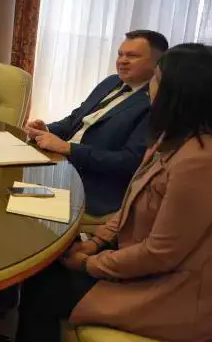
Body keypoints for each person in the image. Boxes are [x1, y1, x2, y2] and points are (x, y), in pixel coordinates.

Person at [14, 43, 212, 342]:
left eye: (157, 79)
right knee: (41, 267)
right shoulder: (168, 140)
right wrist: (96, 242)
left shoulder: (199, 162)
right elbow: (131, 204)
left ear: (178, 92)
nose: (151, 88)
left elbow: (160, 255)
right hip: (132, 259)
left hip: (168, 290)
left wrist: (90, 263)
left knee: (43, 288)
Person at [25, 30, 168, 217]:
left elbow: (128, 162)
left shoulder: (154, 103)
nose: (122, 61)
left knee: (17, 205)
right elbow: (76, 119)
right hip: (59, 163)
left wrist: (69, 149)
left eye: (132, 56)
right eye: (120, 54)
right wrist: (46, 129)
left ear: (157, 63)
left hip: (91, 184)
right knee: (4, 178)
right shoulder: (111, 82)